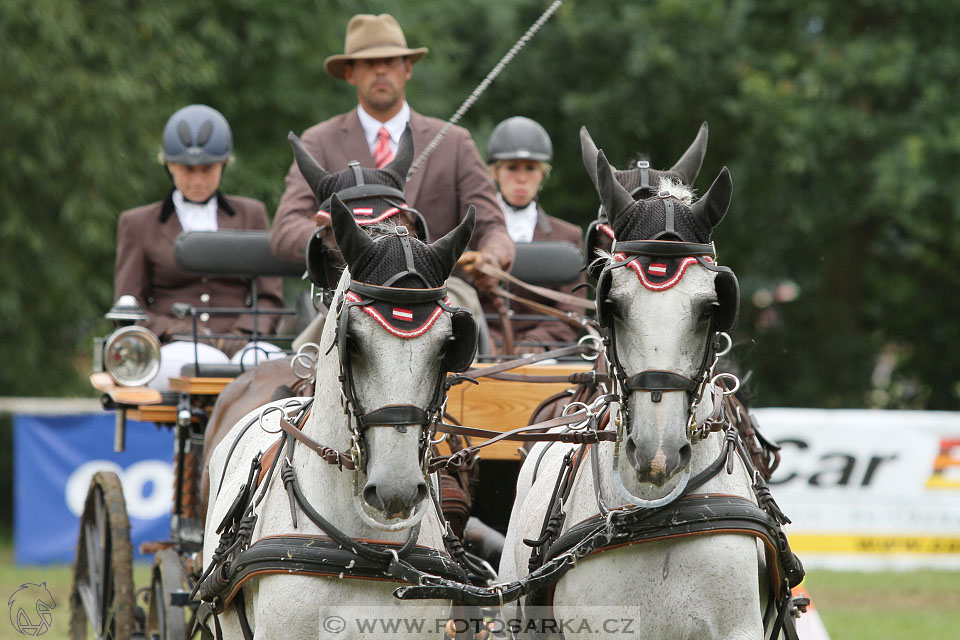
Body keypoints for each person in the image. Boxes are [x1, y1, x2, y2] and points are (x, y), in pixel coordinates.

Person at [269, 13, 514, 302]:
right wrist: (342, 233)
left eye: (391, 61)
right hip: (349, 298)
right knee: (305, 347)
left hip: (439, 295)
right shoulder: (318, 142)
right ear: (350, 73)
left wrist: (493, 257)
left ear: (407, 68)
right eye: (370, 63)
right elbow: (285, 231)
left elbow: (493, 227)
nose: (381, 71)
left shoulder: (454, 142)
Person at [114, 104, 285, 389]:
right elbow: (129, 306)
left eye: (207, 169)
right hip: (172, 346)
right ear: (169, 165)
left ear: (224, 164)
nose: (197, 180)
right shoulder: (138, 223)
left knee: (281, 373)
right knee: (192, 365)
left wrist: (242, 333)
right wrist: (172, 329)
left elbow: (270, 297)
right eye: (187, 169)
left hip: (242, 346)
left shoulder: (251, 214)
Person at [483, 116, 586, 353]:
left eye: (530, 168)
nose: (521, 178)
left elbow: (572, 308)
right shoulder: (474, 230)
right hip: (481, 351)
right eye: (512, 168)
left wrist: (537, 343)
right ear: (494, 172)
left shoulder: (567, 235)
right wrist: (483, 338)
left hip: (541, 355)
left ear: (542, 174)